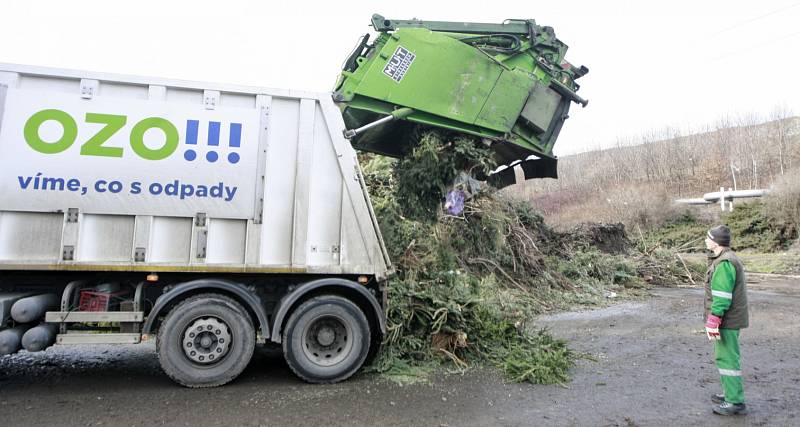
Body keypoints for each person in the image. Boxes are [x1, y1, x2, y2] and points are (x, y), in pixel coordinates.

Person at [703, 225, 749, 416]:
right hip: (728, 320)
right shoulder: (725, 259)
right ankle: (730, 394)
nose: (705, 240)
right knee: (725, 358)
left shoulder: (724, 263)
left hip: (726, 321)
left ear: (716, 241)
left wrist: (714, 318)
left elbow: (721, 296)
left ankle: (735, 402)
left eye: (708, 237)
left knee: (727, 359)